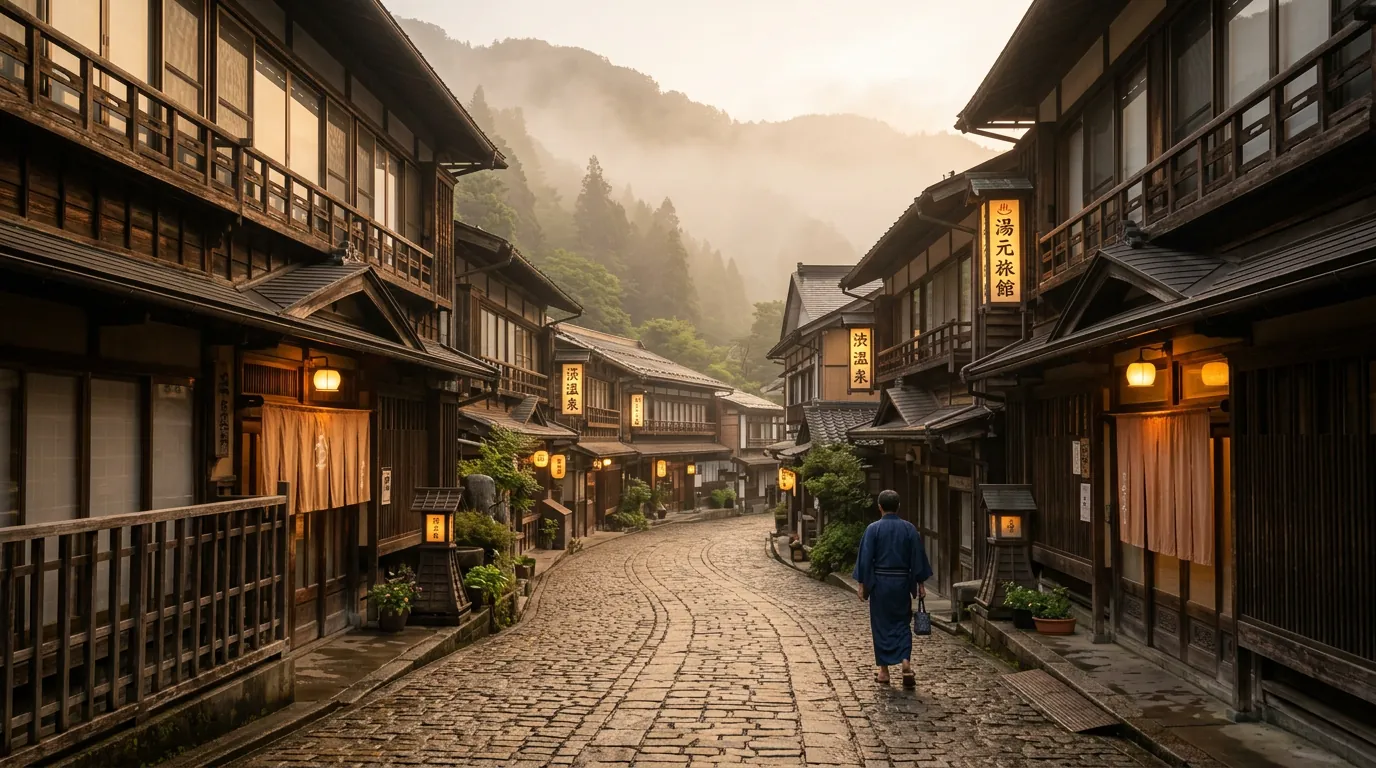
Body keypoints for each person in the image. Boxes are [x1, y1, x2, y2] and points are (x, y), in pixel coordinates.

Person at [852, 489, 932, 687]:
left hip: (880, 584)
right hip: (902, 583)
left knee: (881, 625)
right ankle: (905, 662)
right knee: (902, 623)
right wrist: (920, 583)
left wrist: (862, 584)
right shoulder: (909, 529)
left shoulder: (873, 529)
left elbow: (865, 559)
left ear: (879, 507)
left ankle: (884, 671)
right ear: (898, 507)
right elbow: (917, 558)